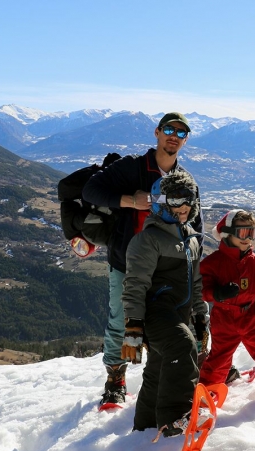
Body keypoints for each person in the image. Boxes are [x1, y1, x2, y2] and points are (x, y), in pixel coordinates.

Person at [82, 112, 203, 408]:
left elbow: (195, 223)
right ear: (157, 132)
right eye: (169, 130)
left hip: (167, 268)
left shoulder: (184, 180)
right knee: (120, 322)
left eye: (181, 133)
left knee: (167, 322)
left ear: (185, 140)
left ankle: (157, 381)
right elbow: (91, 190)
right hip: (127, 260)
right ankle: (115, 381)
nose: (174, 136)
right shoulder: (133, 167)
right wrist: (128, 199)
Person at [121, 170, 208, 436]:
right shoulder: (148, 240)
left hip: (178, 313)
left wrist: (201, 320)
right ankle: (176, 418)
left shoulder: (192, 239)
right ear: (161, 201)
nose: (183, 207)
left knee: (158, 369)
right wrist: (133, 326)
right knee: (181, 345)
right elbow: (135, 285)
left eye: (188, 200)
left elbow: (195, 285)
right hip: (155, 314)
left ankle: (144, 427)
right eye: (175, 200)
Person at [198, 210, 255, 393]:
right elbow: (201, 289)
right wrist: (218, 294)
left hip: (252, 317)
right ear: (227, 233)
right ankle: (208, 391)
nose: (248, 238)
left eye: (252, 233)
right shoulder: (213, 263)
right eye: (243, 233)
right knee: (219, 358)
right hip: (224, 318)